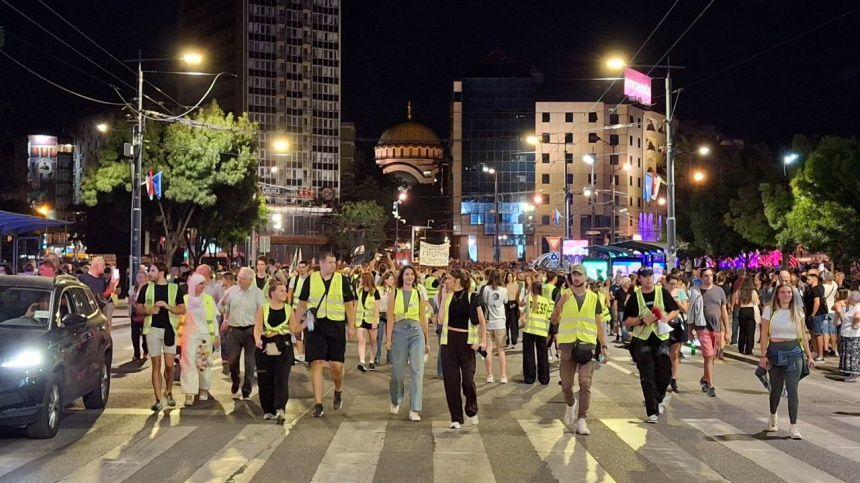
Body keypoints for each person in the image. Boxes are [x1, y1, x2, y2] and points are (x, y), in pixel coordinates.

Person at [295, 253, 356, 418]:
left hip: (336, 325)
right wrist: (296, 325)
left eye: (334, 262)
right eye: (330, 262)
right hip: (315, 325)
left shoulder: (342, 280)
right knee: (317, 362)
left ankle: (338, 389)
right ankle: (318, 403)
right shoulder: (311, 279)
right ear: (320, 263)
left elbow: (349, 305)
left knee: (336, 366)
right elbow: (301, 304)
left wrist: (351, 326)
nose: (333, 265)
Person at [550, 265, 609, 435]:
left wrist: (604, 346)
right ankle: (570, 404)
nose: (576, 278)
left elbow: (598, 323)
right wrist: (559, 306)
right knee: (567, 385)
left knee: (585, 382)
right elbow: (554, 320)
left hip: (587, 344)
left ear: (585, 277)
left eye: (579, 275)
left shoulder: (594, 297)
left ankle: (582, 419)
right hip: (568, 344)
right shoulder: (563, 295)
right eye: (573, 275)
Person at [759, 283, 815, 439]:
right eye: (783, 292)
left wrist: (809, 355)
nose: (786, 295)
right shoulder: (769, 311)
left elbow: (803, 335)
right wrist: (763, 356)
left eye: (789, 292)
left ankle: (793, 426)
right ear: (777, 294)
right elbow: (764, 334)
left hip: (794, 352)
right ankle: (772, 416)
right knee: (776, 389)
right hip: (775, 352)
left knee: (792, 389)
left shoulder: (798, 312)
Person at [623, 267, 679, 423]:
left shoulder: (662, 292)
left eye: (650, 276)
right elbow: (626, 320)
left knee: (663, 373)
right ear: (639, 279)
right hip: (642, 339)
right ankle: (651, 410)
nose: (648, 279)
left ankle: (659, 397)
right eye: (645, 276)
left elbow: (675, 310)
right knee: (647, 375)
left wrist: (667, 318)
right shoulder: (635, 297)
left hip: (661, 338)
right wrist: (642, 320)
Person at [439, 269, 486, 429]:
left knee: (467, 380)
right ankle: (456, 417)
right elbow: (440, 319)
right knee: (451, 381)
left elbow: (481, 321)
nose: (446, 281)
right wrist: (443, 299)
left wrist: (482, 341)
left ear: (457, 280)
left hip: (467, 342)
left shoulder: (472, 297)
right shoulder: (448, 297)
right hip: (449, 342)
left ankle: (471, 408)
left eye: (449, 278)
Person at [135, 262, 186, 411]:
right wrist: (149, 310)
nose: (149, 273)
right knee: (156, 365)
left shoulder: (174, 288)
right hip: (152, 330)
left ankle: (168, 391)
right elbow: (138, 307)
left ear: (161, 273)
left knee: (170, 367)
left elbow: (182, 309)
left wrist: (167, 306)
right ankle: (158, 399)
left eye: (152, 270)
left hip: (169, 330)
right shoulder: (146, 288)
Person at [254, 282, 302, 424]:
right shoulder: (263, 309)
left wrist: (305, 325)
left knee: (281, 378)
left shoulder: (289, 309)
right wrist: (257, 339)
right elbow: (257, 328)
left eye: (285, 291)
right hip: (266, 346)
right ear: (272, 293)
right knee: (265, 379)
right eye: (281, 291)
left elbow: (294, 328)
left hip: (283, 346)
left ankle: (280, 408)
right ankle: (268, 410)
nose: (285, 293)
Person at [386, 265, 429, 421]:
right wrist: (388, 338)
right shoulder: (394, 293)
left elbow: (423, 318)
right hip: (398, 331)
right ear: (402, 276)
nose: (409, 277)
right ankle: (396, 399)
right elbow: (390, 317)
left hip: (416, 332)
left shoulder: (419, 293)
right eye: (407, 274)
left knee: (417, 371)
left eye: (412, 274)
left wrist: (427, 340)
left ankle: (414, 408)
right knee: (397, 371)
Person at [221, 267, 266, 400]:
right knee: (232, 361)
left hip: (251, 330)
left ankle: (247, 390)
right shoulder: (231, 291)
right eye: (238, 277)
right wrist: (225, 318)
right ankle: (235, 382)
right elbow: (225, 307)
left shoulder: (258, 293)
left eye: (243, 279)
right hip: (234, 330)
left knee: (249, 362)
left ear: (250, 280)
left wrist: (259, 330)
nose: (239, 280)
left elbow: (262, 311)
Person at [688, 267, 729, 397]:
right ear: (701, 277)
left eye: (711, 275)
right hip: (702, 327)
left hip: (716, 327)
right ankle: (711, 385)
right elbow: (691, 313)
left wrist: (727, 330)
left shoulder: (719, 291)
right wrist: (690, 331)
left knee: (711, 357)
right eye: (706, 276)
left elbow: (724, 311)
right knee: (709, 355)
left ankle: (705, 378)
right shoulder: (696, 292)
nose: (709, 278)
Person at [180, 274, 219, 406]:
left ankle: (203, 388)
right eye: (200, 283)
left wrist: (217, 335)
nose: (203, 286)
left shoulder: (208, 300)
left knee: (203, 363)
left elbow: (214, 318)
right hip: (189, 336)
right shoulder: (185, 300)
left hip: (204, 336)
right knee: (188, 364)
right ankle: (189, 392)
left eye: (204, 283)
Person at [480, 269, 509, 383]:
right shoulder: (504, 290)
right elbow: (505, 302)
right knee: (501, 349)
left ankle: (490, 375)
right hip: (500, 322)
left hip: (487, 322)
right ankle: (503, 375)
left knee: (488, 349)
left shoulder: (484, 289)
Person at [521, 282, 551, 385]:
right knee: (543, 355)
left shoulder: (529, 298)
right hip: (542, 329)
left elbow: (520, 304)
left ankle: (530, 378)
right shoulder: (546, 301)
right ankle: (544, 378)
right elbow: (549, 315)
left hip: (529, 329)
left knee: (529, 354)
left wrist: (528, 292)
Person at [79, 257, 118, 328]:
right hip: (88, 314)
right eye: (103, 265)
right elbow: (100, 297)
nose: (104, 267)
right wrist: (112, 284)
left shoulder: (101, 279)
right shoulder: (83, 279)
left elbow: (104, 295)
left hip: (99, 312)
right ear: (97, 266)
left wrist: (113, 283)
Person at [666, 275, 689, 392]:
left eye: (675, 284)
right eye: (671, 284)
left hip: (677, 323)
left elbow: (685, 309)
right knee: (664, 352)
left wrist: (677, 302)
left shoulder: (680, 292)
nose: (673, 286)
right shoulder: (661, 292)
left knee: (675, 352)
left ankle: (674, 378)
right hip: (665, 324)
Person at [355, 272, 380, 372]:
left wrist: (375, 320)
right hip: (360, 319)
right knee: (361, 340)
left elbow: (377, 308)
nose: (359, 280)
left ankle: (372, 360)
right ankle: (362, 361)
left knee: (373, 341)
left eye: (361, 278)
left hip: (371, 320)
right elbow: (355, 305)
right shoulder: (359, 291)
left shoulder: (375, 292)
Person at [287, 261, 310, 363]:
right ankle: (301, 354)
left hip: (309, 310)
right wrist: (289, 306)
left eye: (303, 267)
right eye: (299, 267)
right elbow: (290, 293)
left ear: (307, 268)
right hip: (297, 309)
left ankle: (307, 353)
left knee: (309, 332)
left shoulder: (311, 280)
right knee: (297, 332)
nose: (301, 269)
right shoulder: (294, 279)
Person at [806, 273, 830, 362]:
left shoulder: (815, 290)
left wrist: (813, 314)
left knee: (818, 334)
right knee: (816, 334)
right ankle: (816, 353)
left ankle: (820, 355)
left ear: (814, 280)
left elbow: (817, 303)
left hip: (817, 315)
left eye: (809, 279)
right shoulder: (820, 288)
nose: (807, 281)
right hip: (820, 314)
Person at [836, 291, 860, 382]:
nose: (848, 299)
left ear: (853, 299)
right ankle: (852, 374)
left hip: (853, 335)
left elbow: (858, 316)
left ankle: (855, 375)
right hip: (848, 334)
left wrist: (854, 324)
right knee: (850, 354)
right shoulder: (853, 307)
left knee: (853, 354)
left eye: (850, 298)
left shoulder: (858, 307)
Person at [375, 272, 395, 366]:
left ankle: (390, 357)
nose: (393, 281)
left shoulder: (394, 290)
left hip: (390, 315)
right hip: (381, 315)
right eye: (391, 279)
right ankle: (377, 357)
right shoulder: (378, 290)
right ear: (385, 280)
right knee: (379, 337)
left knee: (390, 337)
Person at [129, 271, 149, 361]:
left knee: (145, 334)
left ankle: (146, 350)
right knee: (135, 334)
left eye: (142, 277)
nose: (140, 279)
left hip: (146, 313)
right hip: (136, 313)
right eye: (139, 277)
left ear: (146, 278)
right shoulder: (134, 288)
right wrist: (136, 307)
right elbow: (131, 299)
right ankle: (136, 353)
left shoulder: (149, 288)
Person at [822, 273, 840, 357]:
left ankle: (825, 349)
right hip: (832, 310)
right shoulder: (835, 285)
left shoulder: (823, 287)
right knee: (833, 331)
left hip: (825, 310)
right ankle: (834, 349)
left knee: (825, 331)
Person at [504, 271, 520, 347]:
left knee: (514, 323)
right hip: (506, 304)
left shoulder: (516, 285)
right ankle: (506, 340)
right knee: (506, 323)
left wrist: (519, 307)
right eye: (508, 276)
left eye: (511, 276)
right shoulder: (504, 286)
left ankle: (514, 340)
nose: (509, 278)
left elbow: (518, 297)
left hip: (514, 303)